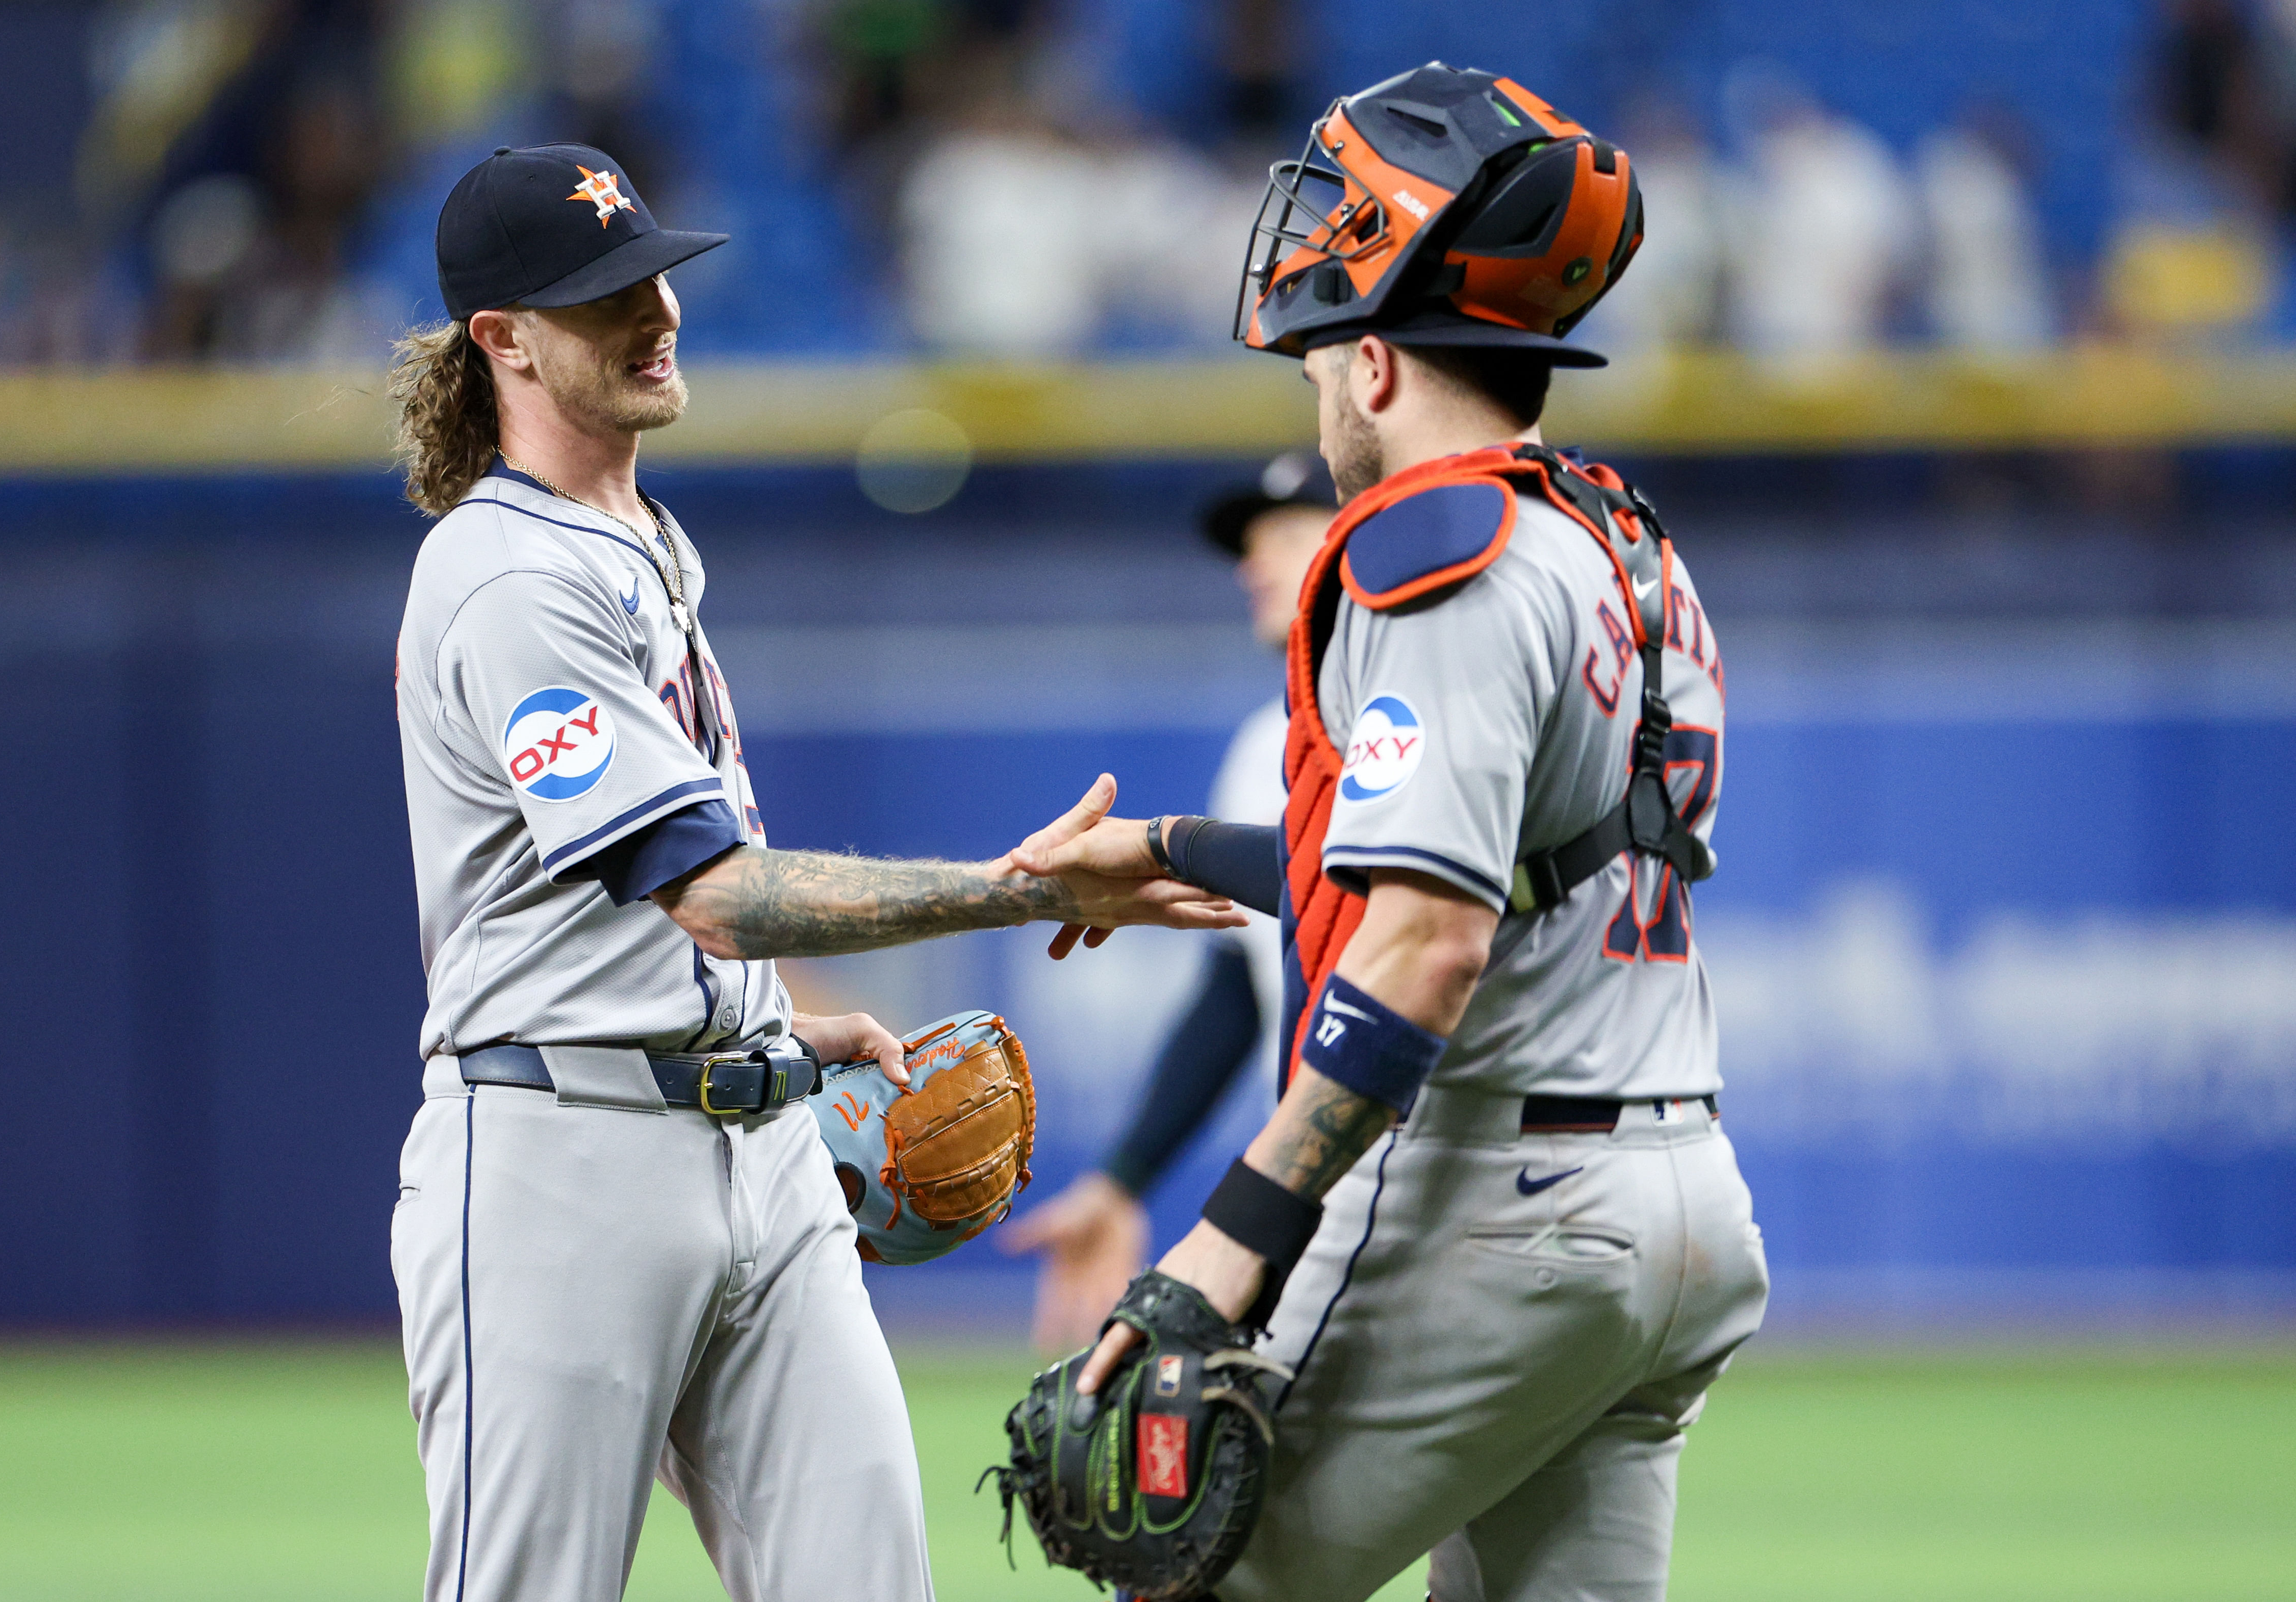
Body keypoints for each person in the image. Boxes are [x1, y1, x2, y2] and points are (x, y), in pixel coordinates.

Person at [381, 143, 1238, 1602]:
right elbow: (708, 884)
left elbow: (688, 909)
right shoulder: (506, 572)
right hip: (557, 1156)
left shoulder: (646, 542)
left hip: (762, 1150)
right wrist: (1026, 886)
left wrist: (775, 1016)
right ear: (503, 339)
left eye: (653, 272)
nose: (653, 309)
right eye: (601, 297)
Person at [1010, 65, 1770, 1601]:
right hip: (1680, 1200)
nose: (1314, 393)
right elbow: (1514, 857)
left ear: (1369, 368)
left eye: (1312, 368)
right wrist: (1161, 843)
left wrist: (1225, 1242)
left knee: (1190, 1567)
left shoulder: (1438, 552)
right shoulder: (1615, 537)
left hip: (1499, 1201)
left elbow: (1429, 939)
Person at [1002, 452, 1335, 1352]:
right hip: (1333, 1169)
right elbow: (1239, 990)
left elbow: (1359, 880)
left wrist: (1168, 843)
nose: (1251, 564)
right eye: (1248, 545)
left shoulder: (1414, 711)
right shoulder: (1268, 743)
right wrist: (1122, 1179)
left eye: (1288, 536)